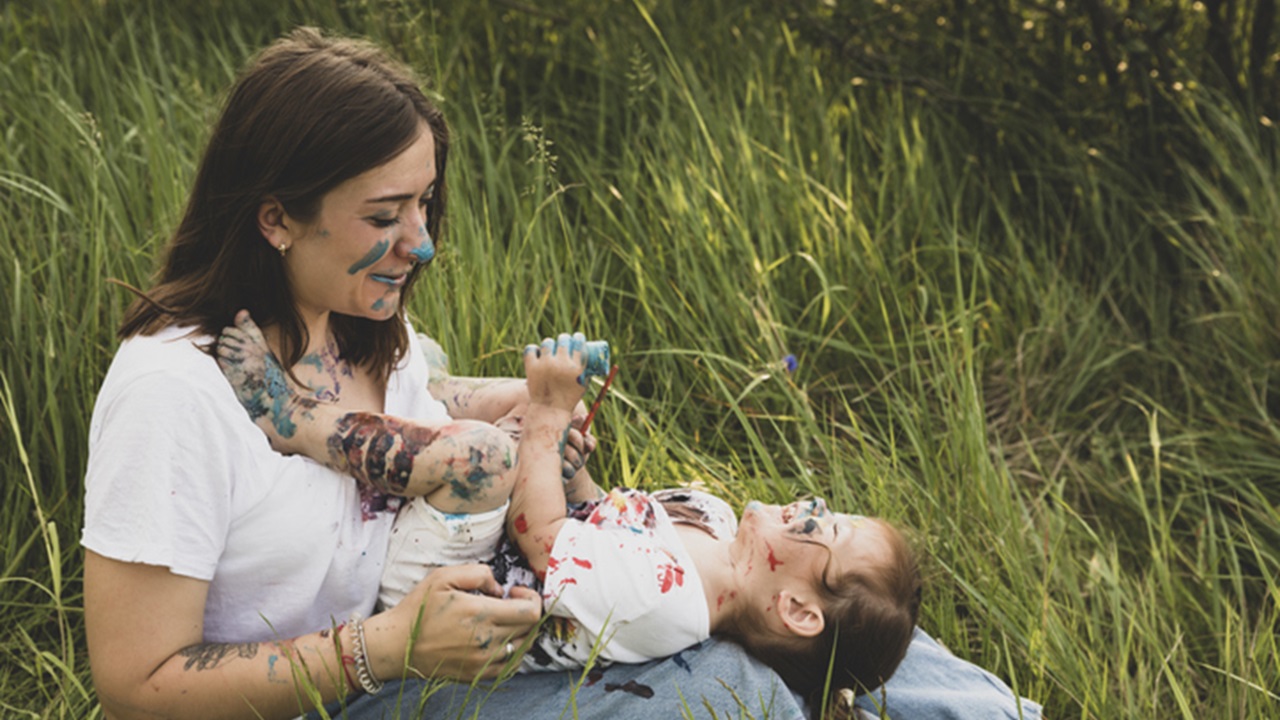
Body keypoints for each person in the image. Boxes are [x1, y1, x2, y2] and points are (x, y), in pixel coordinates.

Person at [82, 25, 1042, 720]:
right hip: (346, 690)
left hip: (467, 619)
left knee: (852, 633)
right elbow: (136, 685)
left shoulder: (351, 313)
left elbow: (414, 406)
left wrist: (516, 404)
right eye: (385, 217)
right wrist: (383, 651)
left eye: (426, 206)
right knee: (735, 691)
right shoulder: (173, 394)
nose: (418, 247)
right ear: (275, 217)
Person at [214, 317, 922, 714]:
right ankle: (414, 379)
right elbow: (592, 515)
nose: (810, 504)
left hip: (450, 587)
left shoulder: (668, 603)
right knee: (446, 381)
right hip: (494, 534)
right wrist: (570, 460)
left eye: (823, 526)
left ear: (799, 609)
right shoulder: (705, 519)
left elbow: (546, 540)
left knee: (484, 459)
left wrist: (547, 418)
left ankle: (293, 420)